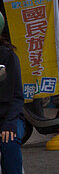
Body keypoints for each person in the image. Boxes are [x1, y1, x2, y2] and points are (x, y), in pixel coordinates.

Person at [0, 13, 23, 174]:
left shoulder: (8, 57)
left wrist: (9, 124)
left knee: (9, 142)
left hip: (9, 117)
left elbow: (17, 96)